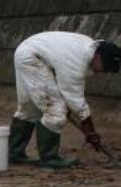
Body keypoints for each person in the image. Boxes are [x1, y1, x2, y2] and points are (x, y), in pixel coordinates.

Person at [8, 31, 120, 168]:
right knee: (55, 111)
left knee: (29, 108)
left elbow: (64, 81)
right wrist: (90, 129)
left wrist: (84, 122)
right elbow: (75, 97)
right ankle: (49, 159)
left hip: (29, 52)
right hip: (32, 58)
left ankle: (14, 154)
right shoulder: (77, 60)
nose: (105, 72)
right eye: (106, 68)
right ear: (97, 58)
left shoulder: (87, 50)